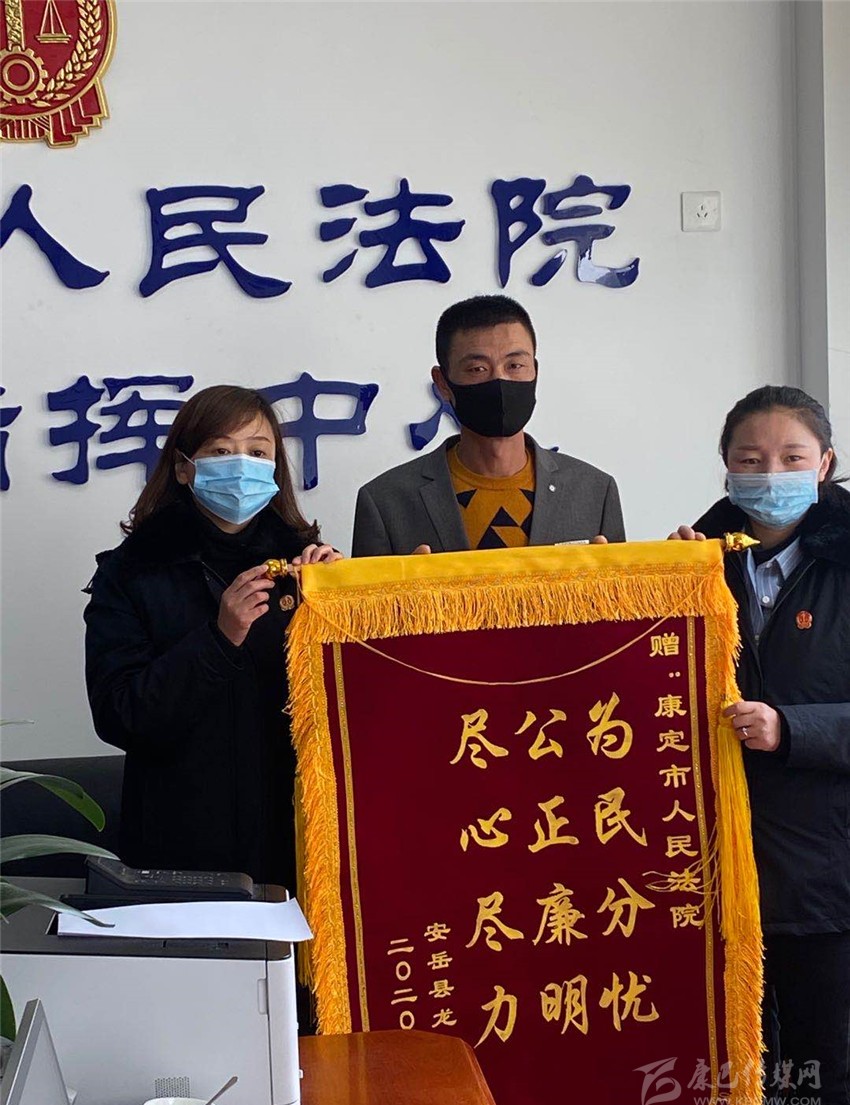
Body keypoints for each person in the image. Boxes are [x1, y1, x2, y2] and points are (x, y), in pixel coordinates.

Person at [672, 385, 850, 1105]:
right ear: (725, 465)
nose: (770, 474)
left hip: (827, 876)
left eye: (791, 457)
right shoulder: (695, 561)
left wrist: (793, 729)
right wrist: (653, 587)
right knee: (736, 1079)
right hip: (717, 872)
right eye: (750, 459)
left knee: (826, 1082)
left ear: (825, 464)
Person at [84, 385, 341, 894]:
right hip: (179, 842)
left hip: (298, 837)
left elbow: (348, 707)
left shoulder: (303, 566)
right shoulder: (131, 572)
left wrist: (344, 605)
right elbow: (118, 714)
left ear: (276, 468)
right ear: (184, 467)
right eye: (221, 451)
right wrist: (220, 640)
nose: (241, 466)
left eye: (258, 452)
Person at [352, 295, 624, 556]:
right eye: (477, 369)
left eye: (515, 365)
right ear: (442, 383)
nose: (499, 380)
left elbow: (627, 588)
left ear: (535, 371)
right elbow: (362, 590)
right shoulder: (385, 502)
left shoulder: (595, 491)